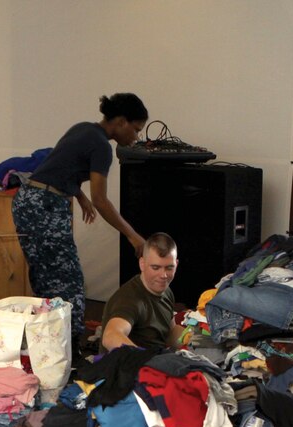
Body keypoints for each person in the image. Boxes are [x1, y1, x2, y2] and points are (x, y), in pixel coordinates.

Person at [12, 92, 149, 341]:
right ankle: (70, 349)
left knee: (44, 277)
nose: (136, 136)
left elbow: (59, 165)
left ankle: (44, 344)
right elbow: (102, 200)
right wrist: (133, 236)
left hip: (27, 202)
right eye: (136, 129)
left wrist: (78, 195)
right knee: (69, 281)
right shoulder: (102, 147)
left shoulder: (84, 129)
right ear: (120, 121)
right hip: (46, 207)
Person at [100, 232, 183, 351]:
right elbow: (110, 336)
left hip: (155, 360)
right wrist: (144, 360)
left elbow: (170, 333)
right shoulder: (129, 300)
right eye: (155, 268)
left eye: (169, 268)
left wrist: (194, 339)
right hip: (129, 367)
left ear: (176, 264)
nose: (163, 275)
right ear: (142, 264)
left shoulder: (166, 291)